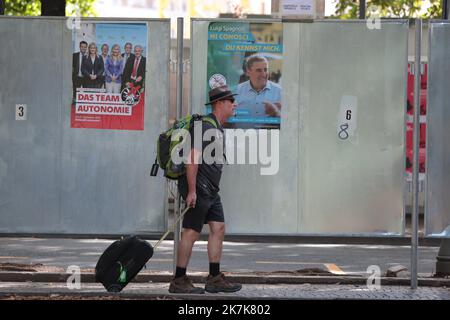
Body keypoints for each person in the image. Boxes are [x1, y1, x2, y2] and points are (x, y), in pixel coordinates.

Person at [169, 85, 242, 294]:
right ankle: (179, 280)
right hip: (199, 188)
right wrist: (191, 191)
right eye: (231, 101)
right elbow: (192, 159)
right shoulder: (204, 127)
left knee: (218, 228)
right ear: (219, 104)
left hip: (211, 190)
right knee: (191, 232)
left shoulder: (216, 127)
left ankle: (214, 278)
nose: (234, 104)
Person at [236, 54, 282, 119]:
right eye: (259, 70)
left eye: (265, 70)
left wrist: (276, 113)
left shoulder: (280, 91)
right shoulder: (236, 91)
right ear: (248, 72)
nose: (263, 74)